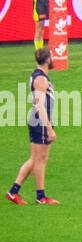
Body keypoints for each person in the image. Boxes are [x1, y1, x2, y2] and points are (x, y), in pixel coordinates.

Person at [6, 48, 59, 205]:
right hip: (41, 121)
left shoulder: (37, 75)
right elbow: (39, 105)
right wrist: (48, 127)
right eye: (52, 56)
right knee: (39, 159)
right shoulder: (41, 79)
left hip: (38, 121)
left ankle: (15, 192)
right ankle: (39, 196)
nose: (53, 58)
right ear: (48, 60)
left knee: (37, 158)